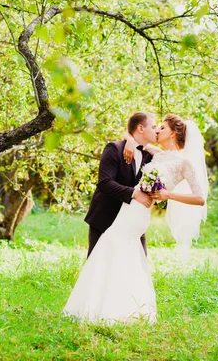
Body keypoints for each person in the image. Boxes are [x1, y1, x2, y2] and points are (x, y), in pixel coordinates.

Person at [63, 113, 208, 324]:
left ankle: (123, 309)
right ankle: (99, 307)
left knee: (125, 252)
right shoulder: (155, 153)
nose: (157, 131)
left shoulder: (184, 163)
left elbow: (200, 198)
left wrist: (169, 195)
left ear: (174, 133)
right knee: (111, 250)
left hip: (140, 212)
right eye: (156, 127)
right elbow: (131, 135)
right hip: (128, 209)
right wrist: (130, 140)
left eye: (162, 128)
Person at [83, 111, 157, 258]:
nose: (156, 131)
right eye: (154, 127)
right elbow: (104, 183)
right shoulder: (114, 149)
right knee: (97, 265)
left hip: (134, 221)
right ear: (141, 128)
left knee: (137, 266)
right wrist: (134, 193)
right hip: (106, 217)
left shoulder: (152, 156)